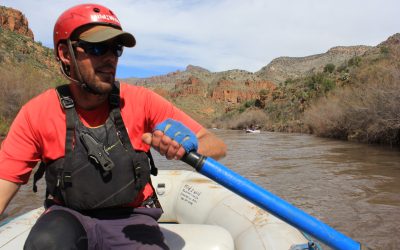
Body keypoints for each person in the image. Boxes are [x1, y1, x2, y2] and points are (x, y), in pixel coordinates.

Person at [0, 3, 226, 250]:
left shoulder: (142, 101)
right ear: (66, 54)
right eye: (97, 48)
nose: (110, 59)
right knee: (46, 244)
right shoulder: (36, 113)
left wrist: (188, 145)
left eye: (115, 49)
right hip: (67, 217)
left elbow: (215, 144)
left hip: (132, 219)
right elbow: (3, 183)